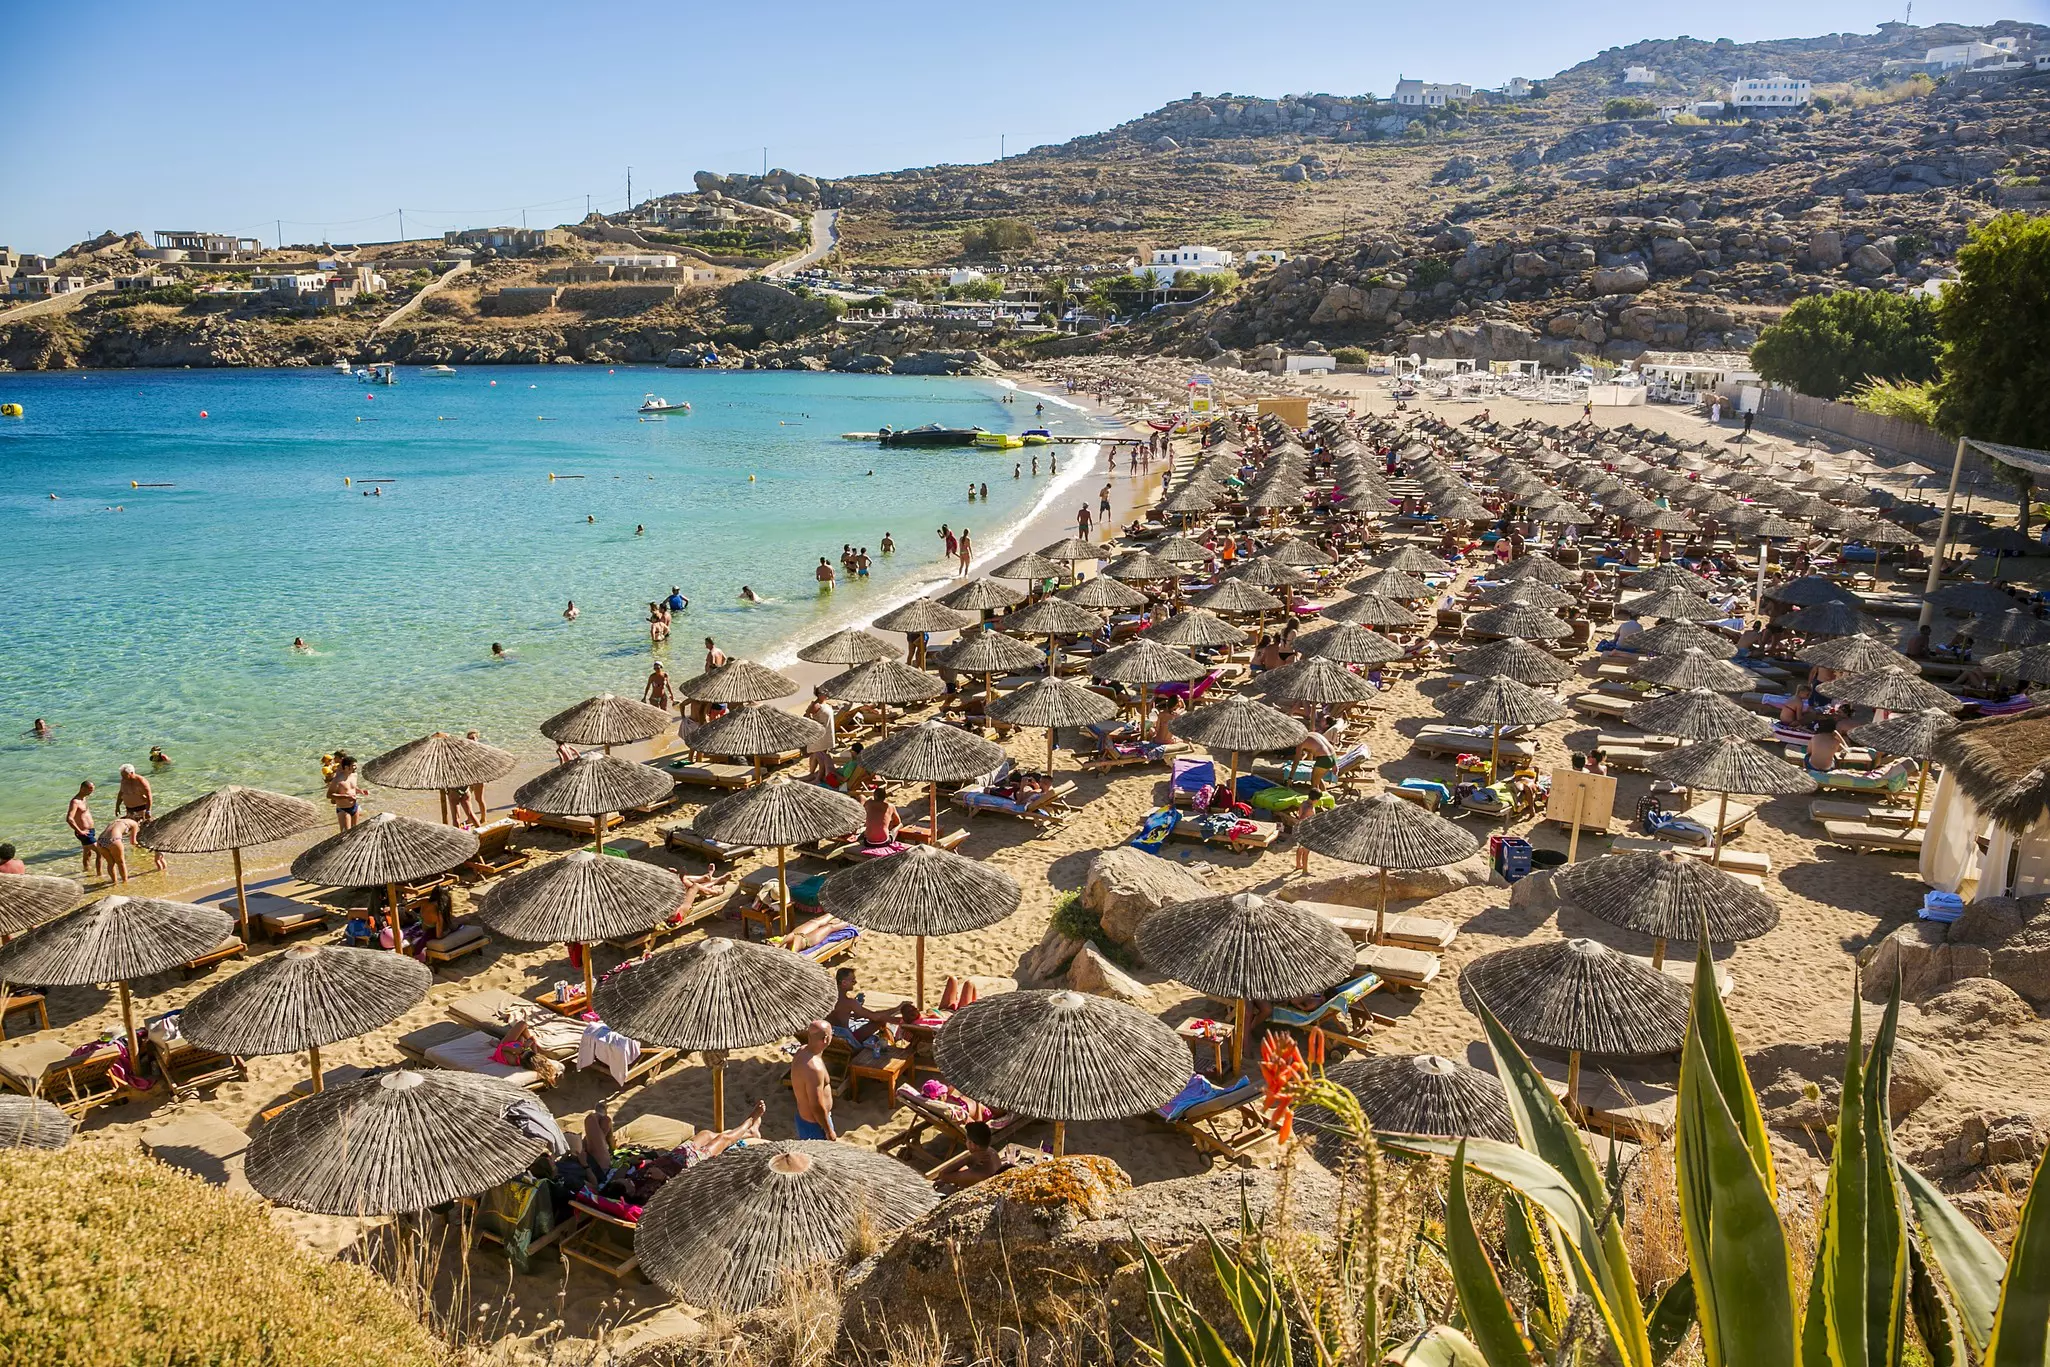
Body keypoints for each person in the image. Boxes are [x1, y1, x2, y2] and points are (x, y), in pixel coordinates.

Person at [827, 966, 917, 1053]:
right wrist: (897, 1008)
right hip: (847, 1040)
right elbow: (875, 1017)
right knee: (879, 1020)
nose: (855, 982)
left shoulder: (827, 997)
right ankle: (901, 1027)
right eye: (852, 980)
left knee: (870, 1017)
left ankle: (901, 1023)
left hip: (831, 1036)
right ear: (844, 983)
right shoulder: (849, 1002)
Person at [790, 1021, 837, 1140]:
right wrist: (828, 1130)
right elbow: (816, 1105)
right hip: (816, 1125)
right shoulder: (814, 1069)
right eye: (832, 1033)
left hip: (803, 1118)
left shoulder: (802, 1051)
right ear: (826, 1039)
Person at [117, 764, 166, 872]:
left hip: (141, 809)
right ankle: (139, 848)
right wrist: (117, 805)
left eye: (124, 775)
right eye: (122, 775)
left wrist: (148, 811)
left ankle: (150, 847)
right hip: (129, 809)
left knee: (144, 828)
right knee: (133, 831)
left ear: (131, 773)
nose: (122, 777)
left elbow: (149, 796)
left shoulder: (141, 781)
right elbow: (121, 793)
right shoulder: (124, 781)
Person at [937, 1120, 1007, 1190]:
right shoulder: (991, 1151)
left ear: (972, 1144)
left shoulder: (976, 1173)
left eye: (966, 1140)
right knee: (962, 1169)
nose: (966, 1143)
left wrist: (967, 1159)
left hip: (976, 1192)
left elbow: (942, 1175)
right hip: (986, 1182)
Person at [96, 814, 140, 885]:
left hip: (100, 841)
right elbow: (133, 842)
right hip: (114, 840)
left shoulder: (115, 821)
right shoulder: (134, 823)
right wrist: (139, 845)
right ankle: (125, 882)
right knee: (121, 863)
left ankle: (114, 882)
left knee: (110, 863)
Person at [805, 690, 838, 780]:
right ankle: (813, 774)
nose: (827, 694)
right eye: (824, 693)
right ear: (819, 695)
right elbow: (807, 717)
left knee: (821, 754)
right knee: (818, 755)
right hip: (820, 734)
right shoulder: (816, 705)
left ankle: (816, 775)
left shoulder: (827, 704)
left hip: (827, 733)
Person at [66, 781, 96, 874]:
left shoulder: (84, 799)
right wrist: (80, 831)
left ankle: (87, 870)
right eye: (90, 790)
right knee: (100, 851)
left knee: (87, 852)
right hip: (83, 832)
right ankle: (99, 873)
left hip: (90, 831)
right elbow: (69, 819)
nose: (91, 792)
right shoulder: (75, 801)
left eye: (92, 790)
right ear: (83, 788)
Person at [326, 755, 362, 830]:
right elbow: (329, 795)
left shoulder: (354, 775)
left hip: (355, 806)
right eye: (353, 766)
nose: (356, 767)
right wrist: (346, 797)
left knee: (355, 830)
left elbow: (353, 787)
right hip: (343, 809)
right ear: (346, 767)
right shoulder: (337, 780)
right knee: (345, 833)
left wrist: (360, 791)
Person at [861, 783, 901, 848]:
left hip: (868, 842)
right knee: (900, 825)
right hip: (884, 842)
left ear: (875, 796)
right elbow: (897, 822)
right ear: (884, 797)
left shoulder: (868, 803)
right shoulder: (890, 806)